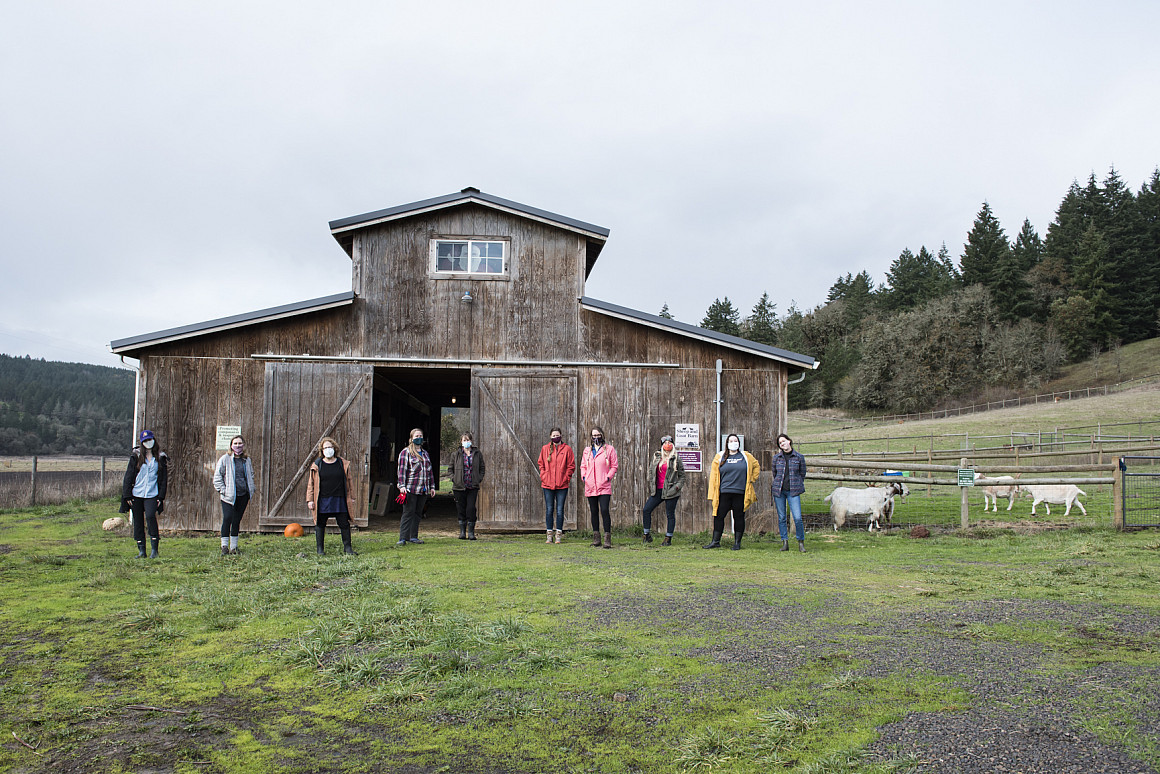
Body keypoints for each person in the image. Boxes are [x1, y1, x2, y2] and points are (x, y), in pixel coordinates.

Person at [705, 433, 760, 550]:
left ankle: (737, 543)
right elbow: (714, 475)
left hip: (740, 493)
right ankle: (715, 541)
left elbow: (756, 466)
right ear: (727, 443)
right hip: (724, 492)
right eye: (731, 441)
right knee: (719, 516)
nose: (733, 443)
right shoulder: (720, 456)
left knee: (739, 516)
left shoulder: (746, 456)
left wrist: (751, 479)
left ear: (739, 443)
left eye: (735, 440)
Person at [120, 429, 168, 558]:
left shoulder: (161, 457)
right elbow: (129, 476)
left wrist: (161, 497)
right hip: (137, 493)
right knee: (138, 521)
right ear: (142, 443)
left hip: (152, 494)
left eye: (150, 440)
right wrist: (127, 495)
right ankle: (141, 550)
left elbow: (163, 479)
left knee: (151, 516)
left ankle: (154, 549)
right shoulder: (136, 457)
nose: (148, 443)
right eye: (145, 441)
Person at [306, 436, 357, 556]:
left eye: (330, 447)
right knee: (320, 524)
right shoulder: (317, 465)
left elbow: (349, 481)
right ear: (322, 450)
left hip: (339, 499)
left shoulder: (342, 463)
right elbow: (311, 484)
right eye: (325, 448)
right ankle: (320, 550)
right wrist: (310, 500)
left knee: (344, 524)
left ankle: (348, 548)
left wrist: (352, 497)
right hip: (322, 499)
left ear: (335, 448)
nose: (328, 449)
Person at [213, 434, 255, 556]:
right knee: (227, 518)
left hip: (243, 495)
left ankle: (234, 547)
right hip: (229, 496)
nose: (238, 446)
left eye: (240, 443)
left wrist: (251, 488)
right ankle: (224, 546)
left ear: (243, 445)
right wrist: (223, 490)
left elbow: (251, 474)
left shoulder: (246, 460)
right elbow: (217, 477)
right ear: (231, 446)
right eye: (235, 443)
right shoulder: (225, 459)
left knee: (236, 520)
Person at [642, 434, 685, 545]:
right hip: (657, 490)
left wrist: (677, 487)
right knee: (646, 510)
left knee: (670, 514)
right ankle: (646, 535)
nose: (667, 445)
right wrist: (651, 484)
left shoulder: (676, 458)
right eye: (665, 443)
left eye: (669, 443)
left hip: (671, 490)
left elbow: (682, 476)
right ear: (662, 445)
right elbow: (651, 472)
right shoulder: (656, 456)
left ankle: (668, 538)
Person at [580, 426, 618, 548]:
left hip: (604, 485)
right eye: (594, 435)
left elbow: (614, 466)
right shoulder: (587, 451)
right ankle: (596, 538)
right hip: (590, 485)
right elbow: (583, 466)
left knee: (605, 510)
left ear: (602, 435)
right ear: (591, 437)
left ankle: (607, 537)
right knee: (594, 511)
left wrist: (608, 477)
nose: (596, 437)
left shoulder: (609, 449)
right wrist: (584, 477)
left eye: (598, 435)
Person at [771, 433, 808, 552]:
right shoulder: (777, 458)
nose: (783, 444)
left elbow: (802, 473)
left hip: (793, 491)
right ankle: (785, 542)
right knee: (782, 517)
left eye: (784, 441)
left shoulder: (798, 457)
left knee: (797, 517)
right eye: (780, 443)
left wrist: (796, 484)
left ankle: (800, 542)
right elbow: (775, 473)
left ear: (789, 441)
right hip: (779, 491)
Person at [396, 427, 433, 546]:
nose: (419, 438)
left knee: (418, 513)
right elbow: (402, 471)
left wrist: (432, 487)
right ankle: (403, 537)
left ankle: (414, 536)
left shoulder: (425, 454)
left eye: (420, 436)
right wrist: (401, 486)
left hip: (423, 488)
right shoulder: (405, 453)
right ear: (411, 439)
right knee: (408, 512)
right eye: (416, 436)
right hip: (410, 488)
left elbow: (429, 471)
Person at [537, 426, 575, 544]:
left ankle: (558, 534)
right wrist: (544, 476)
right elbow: (541, 464)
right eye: (553, 436)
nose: (555, 437)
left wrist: (566, 478)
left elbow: (571, 466)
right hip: (547, 484)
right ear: (550, 437)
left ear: (561, 436)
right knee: (549, 509)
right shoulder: (545, 449)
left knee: (559, 510)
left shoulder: (567, 449)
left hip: (562, 485)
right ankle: (549, 535)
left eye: (557, 435)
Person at [449, 432, 485, 540]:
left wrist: (478, 478)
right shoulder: (456, 454)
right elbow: (450, 469)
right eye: (464, 440)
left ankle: (471, 532)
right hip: (459, 487)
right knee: (461, 509)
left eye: (468, 440)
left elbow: (482, 468)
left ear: (471, 441)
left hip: (472, 486)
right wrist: (454, 479)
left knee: (471, 508)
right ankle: (462, 532)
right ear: (461, 442)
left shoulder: (477, 453)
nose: (466, 442)